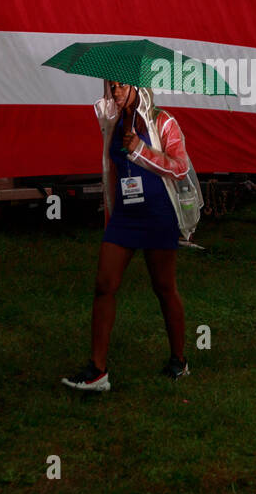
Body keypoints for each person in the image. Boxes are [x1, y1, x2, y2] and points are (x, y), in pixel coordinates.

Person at [62, 80, 192, 392]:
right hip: (125, 216)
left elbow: (180, 167)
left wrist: (141, 150)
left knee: (164, 288)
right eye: (111, 86)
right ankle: (97, 371)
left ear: (138, 87)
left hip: (160, 214)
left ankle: (179, 361)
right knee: (104, 285)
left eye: (122, 86)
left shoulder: (164, 121)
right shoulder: (113, 120)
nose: (116, 92)